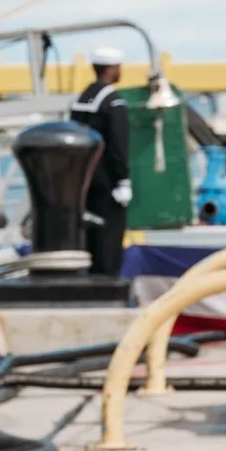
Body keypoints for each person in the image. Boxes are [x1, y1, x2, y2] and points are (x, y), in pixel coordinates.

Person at [71, 43, 132, 277]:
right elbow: (118, 144)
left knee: (89, 236)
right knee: (110, 239)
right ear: (111, 69)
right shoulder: (112, 102)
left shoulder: (81, 99)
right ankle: (108, 283)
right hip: (109, 184)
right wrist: (123, 180)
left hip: (84, 182)